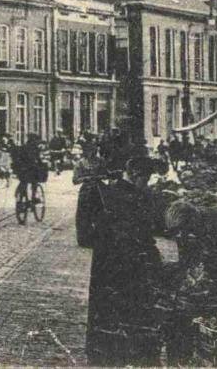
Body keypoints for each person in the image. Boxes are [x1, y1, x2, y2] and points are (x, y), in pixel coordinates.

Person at [85, 156, 164, 366]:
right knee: (129, 304)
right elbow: (147, 230)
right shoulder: (134, 196)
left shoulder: (109, 192)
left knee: (107, 305)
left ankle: (103, 351)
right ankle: (123, 352)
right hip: (124, 259)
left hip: (107, 260)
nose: (147, 182)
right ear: (136, 174)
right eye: (146, 178)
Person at [10, 134, 45, 216]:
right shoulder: (35, 149)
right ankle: (33, 197)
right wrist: (42, 165)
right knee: (35, 182)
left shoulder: (22, 147)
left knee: (23, 182)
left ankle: (21, 198)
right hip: (30, 170)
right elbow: (38, 160)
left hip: (21, 170)